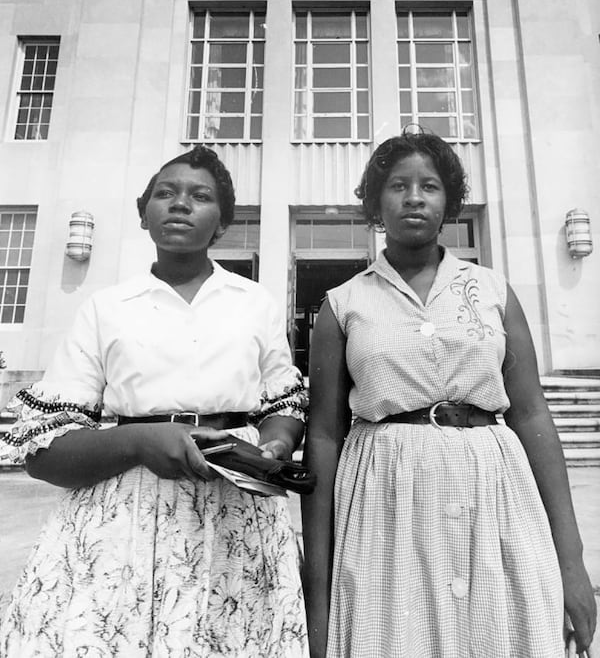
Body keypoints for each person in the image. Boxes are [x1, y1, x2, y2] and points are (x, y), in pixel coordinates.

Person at [0, 145, 309, 657]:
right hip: (124, 513)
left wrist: (273, 448)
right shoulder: (107, 308)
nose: (180, 204)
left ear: (223, 222)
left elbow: (283, 403)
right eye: (165, 194)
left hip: (233, 510)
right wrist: (141, 441)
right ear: (144, 213)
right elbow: (44, 452)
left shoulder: (253, 303)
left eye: (200, 196)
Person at [302, 132, 597, 658]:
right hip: (383, 506)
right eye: (397, 186)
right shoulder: (342, 305)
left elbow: (531, 415)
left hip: (496, 494)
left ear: (450, 203)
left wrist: (572, 563)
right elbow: (324, 436)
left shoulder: (493, 292)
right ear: (375, 203)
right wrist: (318, 594)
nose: (414, 197)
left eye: (429, 186)